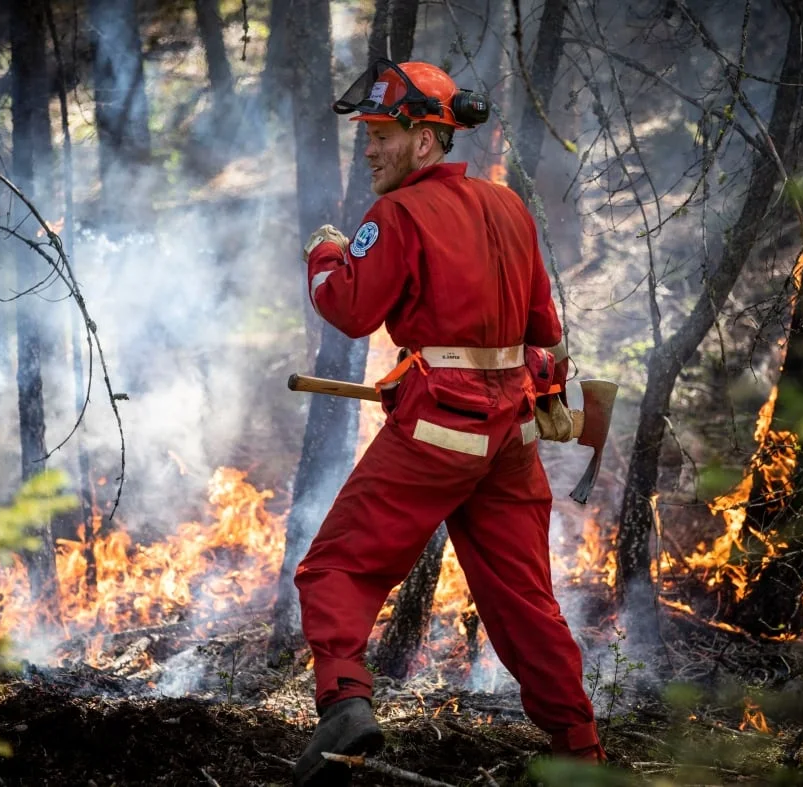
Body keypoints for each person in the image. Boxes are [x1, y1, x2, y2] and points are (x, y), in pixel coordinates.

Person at [292, 59, 605, 787]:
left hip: (440, 434)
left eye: (380, 134)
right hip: (510, 439)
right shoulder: (509, 208)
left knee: (337, 566)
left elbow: (351, 309)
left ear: (427, 140)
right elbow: (542, 329)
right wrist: (544, 393)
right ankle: (581, 747)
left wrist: (325, 254)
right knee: (525, 600)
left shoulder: (396, 216)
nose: (367, 148)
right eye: (365, 132)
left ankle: (343, 704)